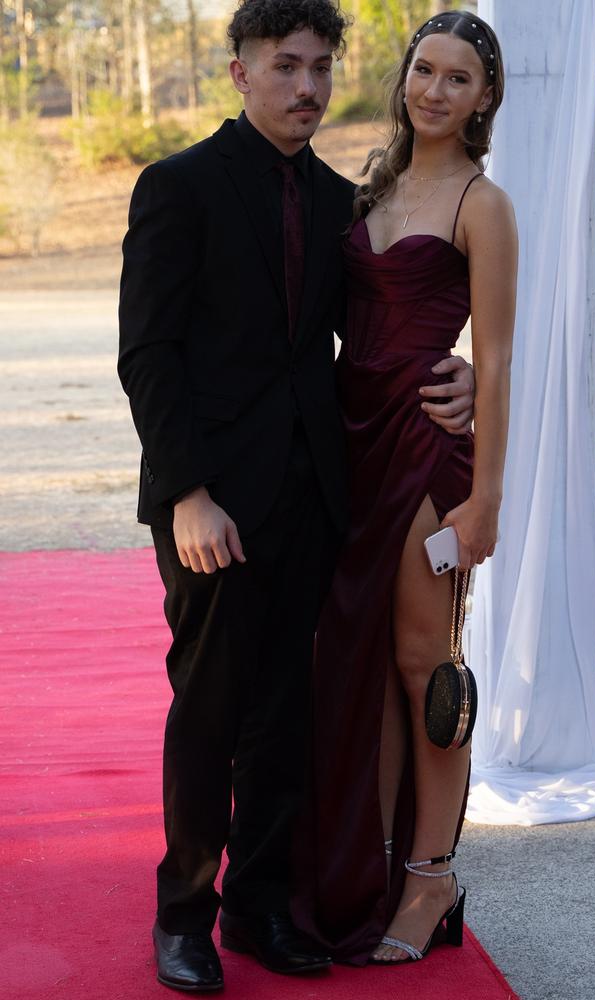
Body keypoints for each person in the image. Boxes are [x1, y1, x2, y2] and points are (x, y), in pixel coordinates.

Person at [118, 0, 475, 991]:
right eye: (286, 66)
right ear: (239, 73)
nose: (307, 86)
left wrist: (470, 377)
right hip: (210, 507)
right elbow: (148, 355)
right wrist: (187, 492)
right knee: (210, 709)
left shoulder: (337, 204)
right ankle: (183, 911)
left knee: (287, 712)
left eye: (321, 67)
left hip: (318, 494)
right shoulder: (177, 187)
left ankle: (260, 906)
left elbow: (381, 340)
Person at [293, 10, 517, 966]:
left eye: (458, 78)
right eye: (424, 69)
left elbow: (497, 360)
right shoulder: (370, 186)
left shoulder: (482, 202)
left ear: (484, 99)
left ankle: (433, 879)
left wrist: (486, 502)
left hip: (429, 458)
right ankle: (376, 868)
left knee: (429, 667)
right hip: (354, 447)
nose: (434, 89)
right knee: (363, 669)